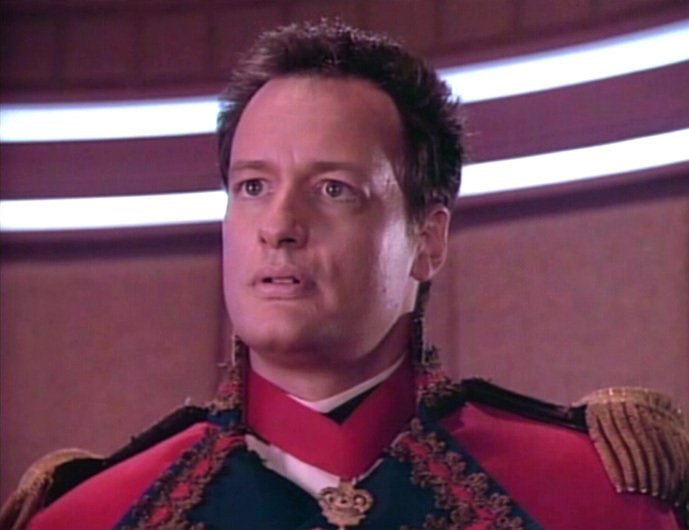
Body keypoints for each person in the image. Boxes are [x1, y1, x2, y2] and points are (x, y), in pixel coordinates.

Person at [2, 20, 687, 530]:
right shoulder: (92, 516)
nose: (278, 225)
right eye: (252, 187)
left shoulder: (592, 501)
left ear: (428, 240)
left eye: (333, 189)